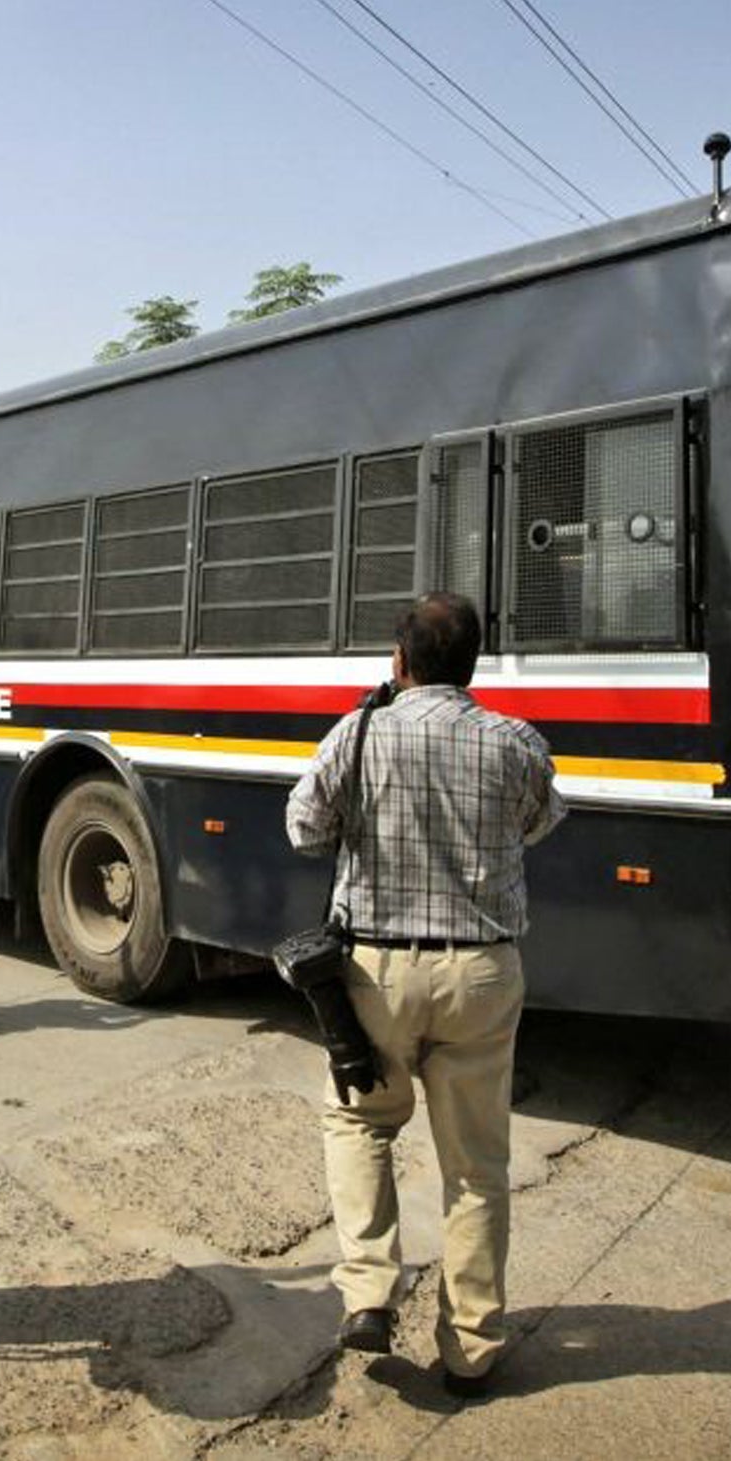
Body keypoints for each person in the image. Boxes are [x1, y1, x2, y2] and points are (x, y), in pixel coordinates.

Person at [284, 592, 566, 1400]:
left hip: (376, 973)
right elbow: (538, 823)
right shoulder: (513, 741)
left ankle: (369, 1290)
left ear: (398, 662)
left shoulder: (361, 731)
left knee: (359, 1120)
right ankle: (472, 1350)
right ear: (474, 663)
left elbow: (304, 829)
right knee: (477, 1167)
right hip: (480, 974)